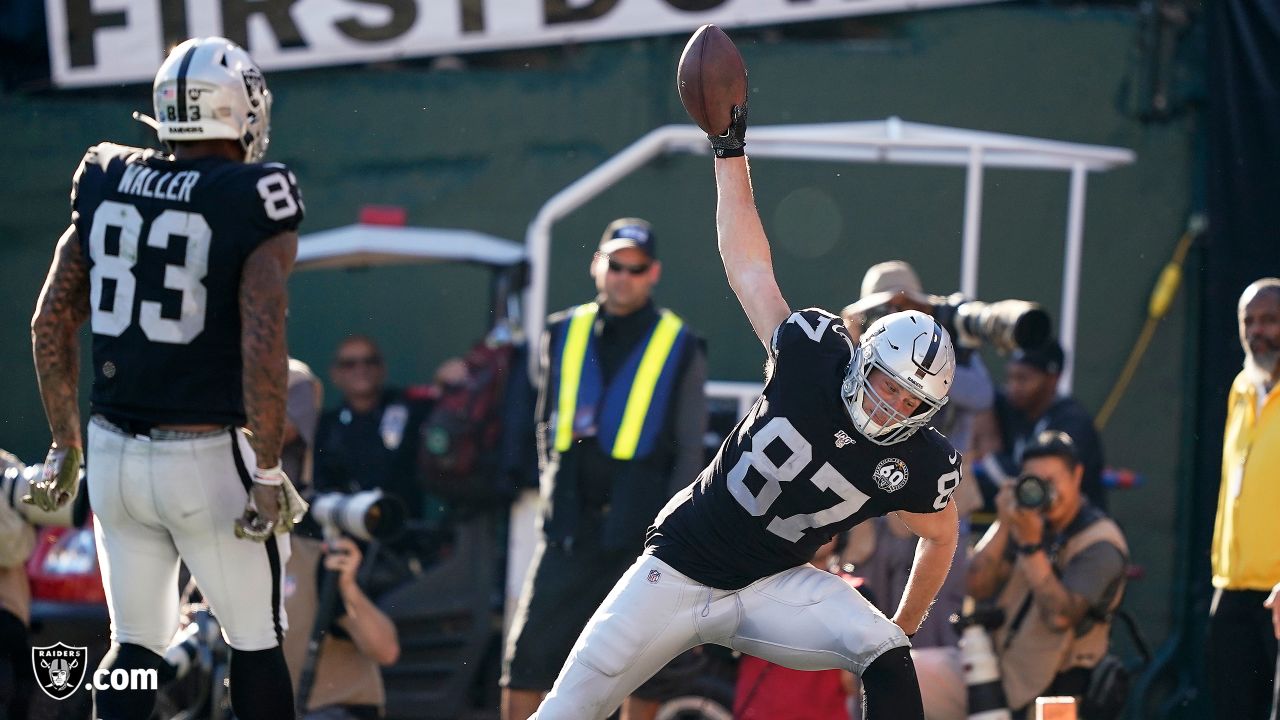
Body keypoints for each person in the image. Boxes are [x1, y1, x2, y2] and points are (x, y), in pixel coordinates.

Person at [531, 101, 963, 720]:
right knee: (567, 710)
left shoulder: (919, 460)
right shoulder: (812, 357)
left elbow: (941, 535)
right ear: (860, 360)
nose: (890, 406)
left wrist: (906, 624)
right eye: (885, 384)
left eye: (910, 400)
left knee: (886, 652)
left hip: (773, 585)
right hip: (677, 568)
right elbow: (749, 267)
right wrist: (729, 151)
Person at [25, 36, 305, 720]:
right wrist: (266, 471)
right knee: (257, 644)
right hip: (206, 455)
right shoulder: (255, 192)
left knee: (135, 646)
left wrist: (64, 445)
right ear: (239, 111)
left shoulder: (106, 174)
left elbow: (50, 322)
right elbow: (264, 345)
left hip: (114, 453)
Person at [500, 217, 708, 720]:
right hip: (569, 527)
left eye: (635, 268)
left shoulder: (681, 342)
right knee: (527, 658)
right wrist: (553, 491)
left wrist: (674, 535)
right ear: (598, 265)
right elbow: (544, 421)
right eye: (615, 264)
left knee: (641, 664)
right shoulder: (561, 330)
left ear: (652, 272)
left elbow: (687, 448)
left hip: (639, 533)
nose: (623, 276)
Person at [966, 431, 1128, 716]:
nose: (1045, 493)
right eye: (1035, 483)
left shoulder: (1100, 542)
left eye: (1051, 482)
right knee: (907, 677)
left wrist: (1031, 546)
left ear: (1077, 476)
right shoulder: (1025, 520)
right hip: (992, 672)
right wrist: (1004, 524)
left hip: (1057, 692)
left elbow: (1060, 616)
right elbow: (975, 586)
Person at [1208, 278, 1280, 720]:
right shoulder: (1240, 388)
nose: (1257, 331)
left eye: (1270, 320)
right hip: (1232, 586)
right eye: (1248, 321)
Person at [283, 535, 400, 720]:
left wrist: (348, 587)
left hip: (334, 710)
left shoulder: (322, 561)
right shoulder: (234, 566)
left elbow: (387, 651)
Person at [985, 339, 1107, 510]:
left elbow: (1035, 486)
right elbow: (977, 394)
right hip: (1030, 521)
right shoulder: (1012, 406)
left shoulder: (1073, 423)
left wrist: (988, 455)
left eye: (1023, 379)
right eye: (1010, 377)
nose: (1013, 387)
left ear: (1052, 379)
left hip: (1073, 525)